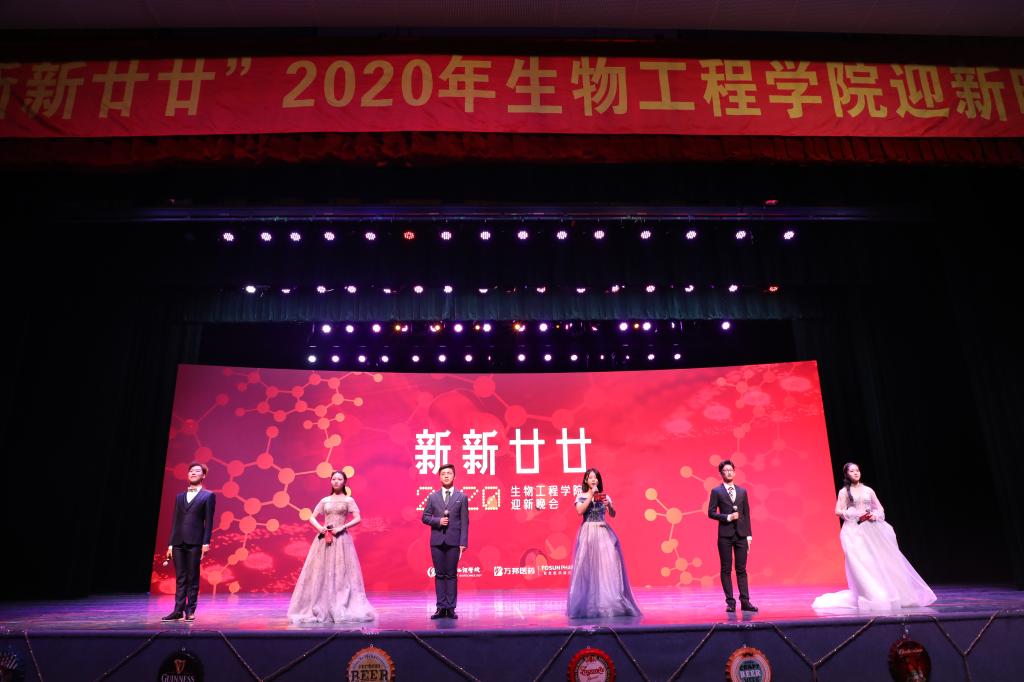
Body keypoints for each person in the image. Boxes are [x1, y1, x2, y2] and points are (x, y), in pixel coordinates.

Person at [812, 462, 936, 610]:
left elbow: (880, 508)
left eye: (857, 470)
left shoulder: (868, 490)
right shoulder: (844, 492)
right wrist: (853, 513)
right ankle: (873, 597)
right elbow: (838, 511)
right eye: (852, 471)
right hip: (853, 531)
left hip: (871, 529)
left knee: (878, 561)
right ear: (846, 474)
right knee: (862, 563)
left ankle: (888, 594)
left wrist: (875, 515)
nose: (856, 473)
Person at [287, 470, 377, 623]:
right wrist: (319, 528)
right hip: (325, 538)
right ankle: (321, 604)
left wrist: (343, 527)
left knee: (341, 571)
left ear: (344, 482)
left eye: (339, 479)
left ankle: (339, 603)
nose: (336, 481)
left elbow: (358, 518)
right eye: (333, 479)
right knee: (321, 571)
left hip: (341, 539)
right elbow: (312, 517)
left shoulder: (348, 500)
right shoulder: (325, 500)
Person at [566, 468, 642, 618]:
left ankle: (609, 602)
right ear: (586, 480)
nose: (593, 480)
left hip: (603, 531)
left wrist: (609, 506)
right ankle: (588, 604)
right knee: (587, 568)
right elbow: (580, 511)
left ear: (599, 480)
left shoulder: (605, 496)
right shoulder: (581, 496)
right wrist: (590, 495)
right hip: (588, 533)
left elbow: (613, 514)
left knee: (609, 565)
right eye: (590, 477)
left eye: (596, 478)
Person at [162, 462, 216, 622]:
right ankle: (177, 610)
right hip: (178, 541)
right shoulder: (179, 497)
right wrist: (171, 544)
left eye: (197, 471)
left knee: (192, 577)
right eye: (191, 471)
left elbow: (209, 521)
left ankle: (190, 610)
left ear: (203, 475)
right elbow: (175, 521)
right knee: (180, 577)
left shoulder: (208, 496)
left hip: (195, 541)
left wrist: (206, 543)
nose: (193, 473)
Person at [707, 460, 758, 612]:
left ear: (734, 472)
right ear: (721, 474)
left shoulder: (742, 491)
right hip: (725, 536)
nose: (728, 472)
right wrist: (728, 517)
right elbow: (711, 513)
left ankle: (745, 602)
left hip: (741, 535)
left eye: (731, 470)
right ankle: (730, 603)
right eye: (725, 470)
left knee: (741, 569)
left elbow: (746, 514)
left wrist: (749, 536)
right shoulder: (717, 491)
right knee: (726, 569)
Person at [421, 463, 469, 619]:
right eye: (443, 474)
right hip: (437, 542)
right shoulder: (433, 497)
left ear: (454, 476)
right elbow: (425, 517)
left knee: (451, 575)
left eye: (449, 473)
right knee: (440, 575)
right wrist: (438, 521)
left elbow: (465, 522)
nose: (446, 476)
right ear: (439, 477)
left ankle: (451, 608)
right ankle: (441, 607)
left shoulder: (461, 497)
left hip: (454, 542)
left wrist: (463, 543)